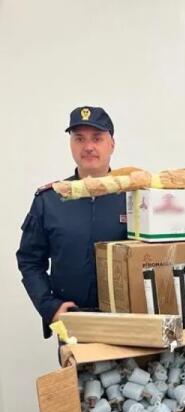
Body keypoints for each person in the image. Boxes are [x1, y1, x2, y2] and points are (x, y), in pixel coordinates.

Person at [16, 106, 127, 338]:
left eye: (97, 138)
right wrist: (50, 307)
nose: (88, 146)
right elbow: (29, 260)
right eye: (79, 139)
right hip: (74, 322)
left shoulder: (135, 197)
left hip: (128, 320)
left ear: (112, 144)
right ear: (71, 145)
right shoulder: (50, 199)